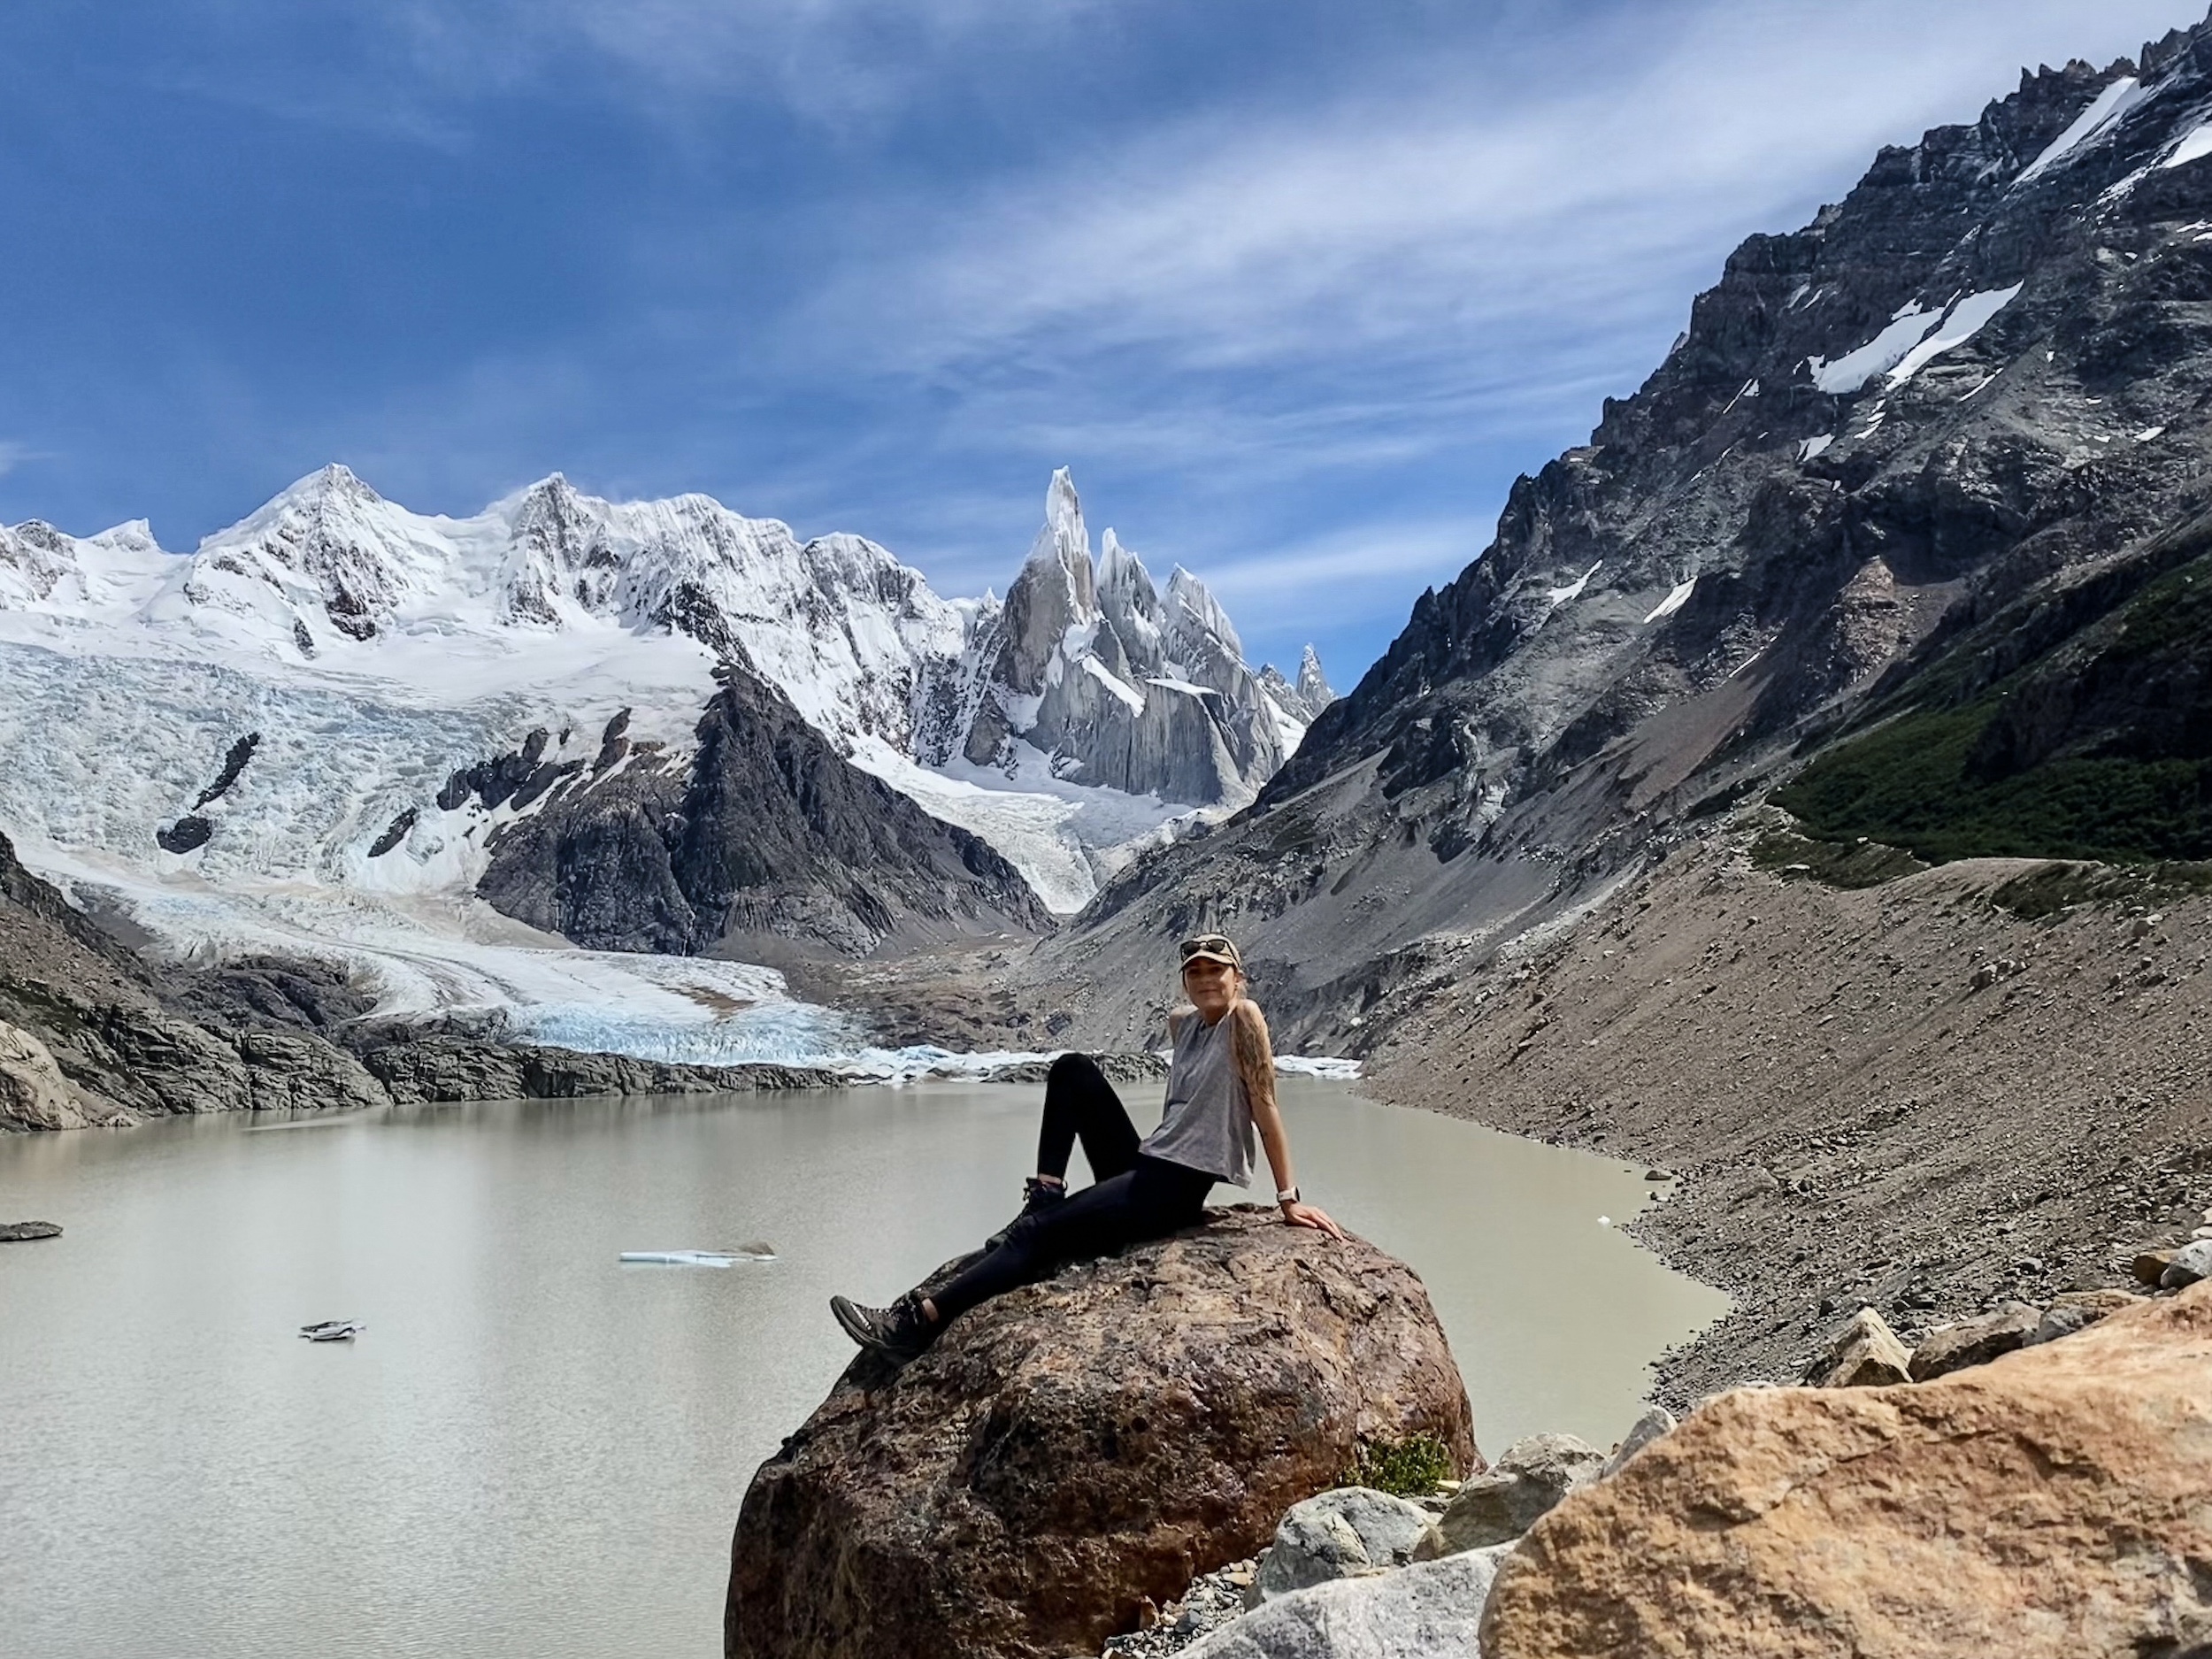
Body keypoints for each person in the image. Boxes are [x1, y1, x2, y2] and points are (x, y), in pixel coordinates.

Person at [830, 932, 1348, 1360]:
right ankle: (1047, 1191)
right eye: (1196, 972)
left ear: (1238, 976)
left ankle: (918, 1323)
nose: (1207, 979)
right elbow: (1175, 1014)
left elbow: (1265, 1106)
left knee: (1034, 1237)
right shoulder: (1184, 1026)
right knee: (1073, 1069)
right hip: (1150, 1162)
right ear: (1186, 983)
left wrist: (1289, 1199)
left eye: (1218, 969)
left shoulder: (1245, 1020)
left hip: (1175, 1185)